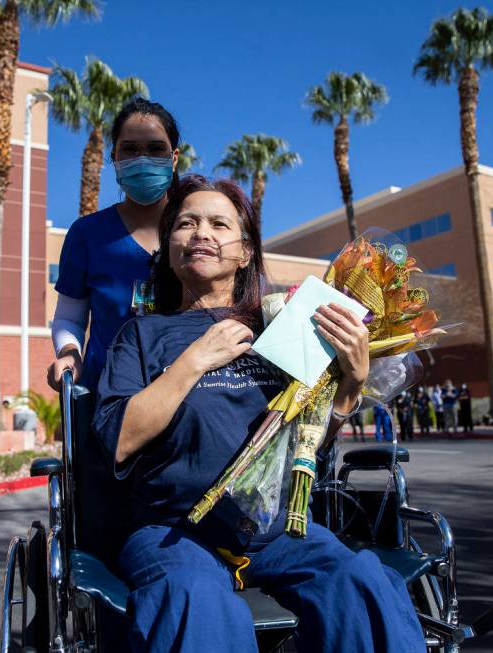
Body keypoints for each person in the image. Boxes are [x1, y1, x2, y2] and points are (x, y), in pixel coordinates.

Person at [94, 176, 424, 652]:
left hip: (278, 532)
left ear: (245, 252)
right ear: (169, 247)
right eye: (187, 223)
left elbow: (306, 443)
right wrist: (192, 362)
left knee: (360, 580)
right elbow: (120, 439)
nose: (201, 233)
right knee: (194, 600)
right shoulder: (141, 336)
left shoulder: (282, 327)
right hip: (174, 532)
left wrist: (350, 385)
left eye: (218, 223)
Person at [48, 98, 181, 392]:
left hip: (188, 402)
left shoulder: (198, 231)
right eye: (130, 149)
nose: (142, 159)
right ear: (115, 158)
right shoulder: (87, 234)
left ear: (174, 158)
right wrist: (69, 353)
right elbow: (69, 317)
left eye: (156, 148)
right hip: (108, 401)